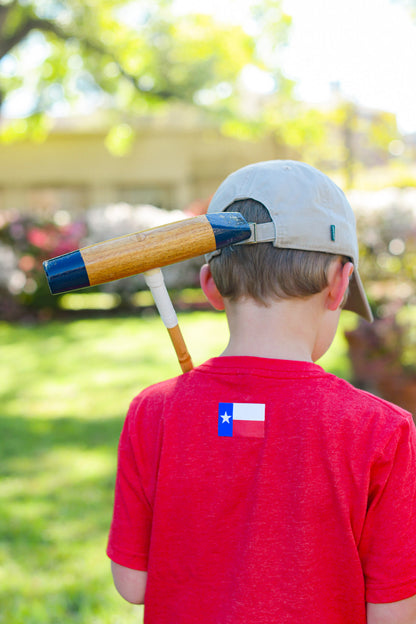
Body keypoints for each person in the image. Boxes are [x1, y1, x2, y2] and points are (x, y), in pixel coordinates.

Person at [107, 160, 416, 624]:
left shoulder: (154, 411)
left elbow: (133, 584)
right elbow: (393, 614)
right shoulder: (383, 430)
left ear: (210, 286)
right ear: (340, 284)